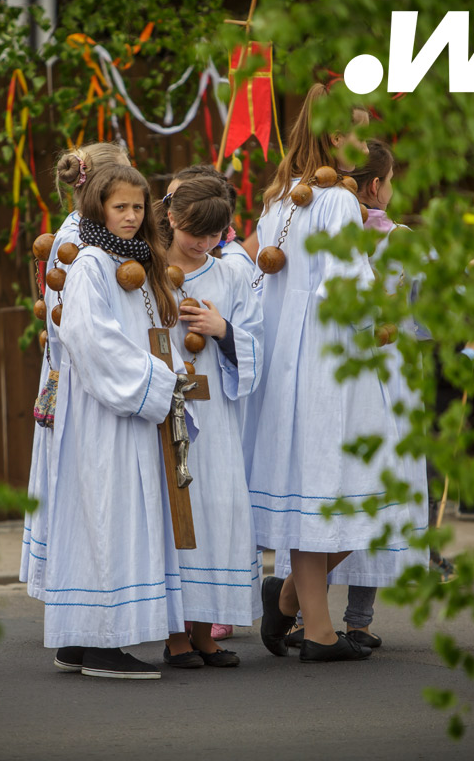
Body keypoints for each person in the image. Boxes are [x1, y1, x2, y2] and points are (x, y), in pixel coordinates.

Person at [245, 83, 422, 663]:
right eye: (354, 130)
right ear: (332, 135)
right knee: (356, 489)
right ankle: (314, 627)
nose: (360, 142)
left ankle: (297, 606)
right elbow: (347, 293)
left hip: (290, 361)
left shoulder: (280, 199)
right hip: (332, 361)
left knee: (312, 490)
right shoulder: (339, 201)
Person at [279, 139, 429, 650]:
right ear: (374, 187)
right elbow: (424, 316)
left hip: (323, 369)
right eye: (390, 181)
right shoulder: (398, 238)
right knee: (380, 488)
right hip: (385, 368)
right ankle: (356, 618)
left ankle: (299, 610)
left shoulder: (300, 209)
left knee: (325, 485)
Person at [39, 164, 185, 680]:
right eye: (120, 207)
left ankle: (80, 639)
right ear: (98, 207)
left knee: (109, 513)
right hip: (106, 411)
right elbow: (89, 337)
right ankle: (103, 642)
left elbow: (155, 331)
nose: (129, 217)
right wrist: (156, 384)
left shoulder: (140, 261)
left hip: (132, 410)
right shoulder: (92, 265)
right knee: (107, 513)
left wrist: (173, 376)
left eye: (138, 208)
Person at [154, 177, 264, 668]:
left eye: (214, 234)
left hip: (217, 411)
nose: (202, 242)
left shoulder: (233, 275)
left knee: (216, 512)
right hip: (166, 406)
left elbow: (258, 342)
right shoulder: (148, 269)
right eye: (195, 231)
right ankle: (176, 636)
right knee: (180, 514)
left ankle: (204, 631)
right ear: (173, 217)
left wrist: (223, 331)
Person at [22, 143, 129, 601]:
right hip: (82, 385)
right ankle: (76, 594)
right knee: (82, 495)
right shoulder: (80, 244)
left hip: (70, 377)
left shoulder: (78, 233)